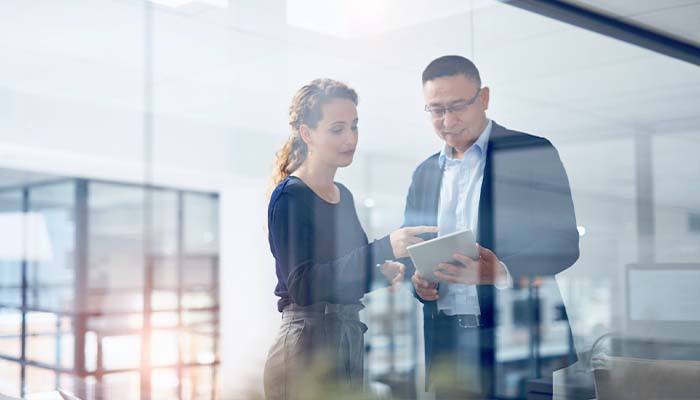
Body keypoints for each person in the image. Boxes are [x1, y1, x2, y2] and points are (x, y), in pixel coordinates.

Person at [403, 56, 580, 398]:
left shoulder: (530, 153)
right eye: (436, 110)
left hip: (519, 342)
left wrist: (500, 271)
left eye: (458, 106)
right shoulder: (424, 173)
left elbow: (565, 243)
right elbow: (414, 254)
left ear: (483, 98)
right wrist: (420, 284)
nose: (448, 120)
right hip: (449, 348)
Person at [263, 78, 437, 400]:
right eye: (337, 129)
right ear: (307, 133)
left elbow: (347, 273)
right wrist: (383, 248)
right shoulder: (290, 196)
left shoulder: (342, 195)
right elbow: (304, 284)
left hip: (348, 339)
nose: (350, 138)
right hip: (306, 349)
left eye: (354, 127)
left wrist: (385, 271)